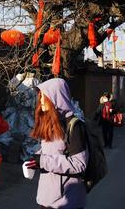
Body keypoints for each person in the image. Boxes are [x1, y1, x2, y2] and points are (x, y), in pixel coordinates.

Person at [25, 78, 89, 209]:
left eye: (44, 96)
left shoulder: (74, 126)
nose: (41, 100)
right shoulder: (52, 123)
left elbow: (79, 164)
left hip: (67, 201)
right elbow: (50, 152)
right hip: (47, 198)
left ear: (56, 97)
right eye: (40, 96)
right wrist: (35, 160)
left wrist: (43, 161)